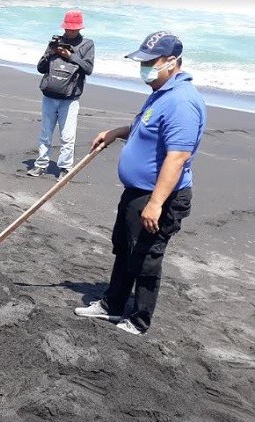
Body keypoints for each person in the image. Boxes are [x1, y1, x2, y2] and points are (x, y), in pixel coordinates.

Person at [74, 31, 206, 335]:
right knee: (124, 248)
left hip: (160, 196)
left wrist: (156, 203)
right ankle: (113, 305)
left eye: (150, 61)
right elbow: (146, 124)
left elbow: (177, 156)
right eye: (142, 61)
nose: (144, 67)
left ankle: (138, 319)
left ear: (172, 62)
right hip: (137, 192)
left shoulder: (182, 102)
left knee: (147, 258)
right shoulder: (161, 91)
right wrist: (116, 132)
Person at [28, 10, 95, 181]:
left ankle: (65, 168)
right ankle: (41, 165)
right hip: (50, 95)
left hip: (70, 98)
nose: (69, 32)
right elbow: (41, 68)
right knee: (45, 133)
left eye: (72, 29)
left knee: (68, 136)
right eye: (67, 29)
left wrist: (70, 56)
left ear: (79, 28)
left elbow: (88, 69)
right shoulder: (55, 42)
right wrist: (51, 53)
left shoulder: (87, 45)